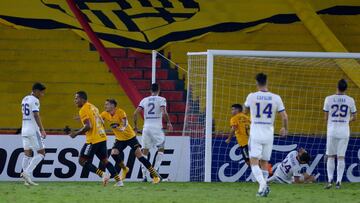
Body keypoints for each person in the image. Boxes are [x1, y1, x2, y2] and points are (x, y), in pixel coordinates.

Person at [244, 73, 288, 197]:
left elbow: (245, 111)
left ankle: (263, 185)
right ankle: (261, 189)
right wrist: (285, 128)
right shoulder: (276, 98)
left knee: (253, 162)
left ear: (256, 83)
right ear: (267, 82)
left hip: (256, 133)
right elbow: (285, 116)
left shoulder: (252, 96)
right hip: (269, 134)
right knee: (264, 162)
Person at [68, 91, 123, 187]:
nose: (75, 100)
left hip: (93, 140)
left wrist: (76, 134)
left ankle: (103, 174)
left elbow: (88, 126)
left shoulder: (83, 110)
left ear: (82, 99)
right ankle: (119, 182)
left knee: (82, 161)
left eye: (77, 98)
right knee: (105, 161)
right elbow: (102, 122)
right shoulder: (94, 107)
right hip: (102, 137)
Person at [100, 99, 161, 183]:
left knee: (140, 156)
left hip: (130, 137)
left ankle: (155, 176)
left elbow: (125, 122)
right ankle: (125, 169)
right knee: (114, 153)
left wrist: (123, 128)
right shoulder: (104, 114)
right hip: (119, 139)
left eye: (107, 104)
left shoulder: (120, 112)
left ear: (112, 105)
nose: (105, 106)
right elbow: (99, 120)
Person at [133, 83, 173, 182]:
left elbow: (135, 113)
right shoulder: (161, 99)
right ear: (159, 90)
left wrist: (135, 126)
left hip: (146, 127)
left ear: (150, 90)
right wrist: (168, 123)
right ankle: (155, 173)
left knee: (145, 151)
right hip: (157, 128)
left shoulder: (144, 100)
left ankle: (144, 176)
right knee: (161, 149)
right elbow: (164, 112)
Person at [323, 79, 357, 189]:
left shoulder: (328, 99)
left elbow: (326, 118)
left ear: (336, 86)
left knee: (331, 156)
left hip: (332, 131)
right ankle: (339, 182)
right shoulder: (350, 100)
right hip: (344, 132)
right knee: (341, 157)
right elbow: (355, 117)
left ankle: (329, 181)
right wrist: (346, 120)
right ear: (346, 88)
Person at [20, 82, 47, 186]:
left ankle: (25, 180)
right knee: (41, 153)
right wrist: (42, 129)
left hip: (24, 130)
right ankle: (26, 173)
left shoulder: (24, 99)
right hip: (33, 130)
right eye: (41, 92)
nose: (42, 95)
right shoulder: (35, 100)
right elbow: (36, 115)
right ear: (35, 91)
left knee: (27, 154)